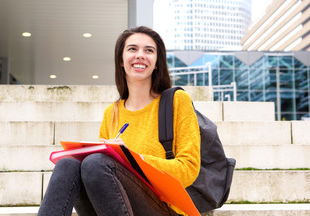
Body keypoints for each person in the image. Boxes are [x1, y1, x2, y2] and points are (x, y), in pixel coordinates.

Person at [38, 26, 201, 216]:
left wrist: (130, 158)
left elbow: (189, 170)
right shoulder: (112, 113)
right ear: (121, 61)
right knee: (68, 164)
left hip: (164, 209)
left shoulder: (176, 101)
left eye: (149, 50)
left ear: (157, 63)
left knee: (97, 163)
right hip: (115, 206)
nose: (140, 55)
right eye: (132, 49)